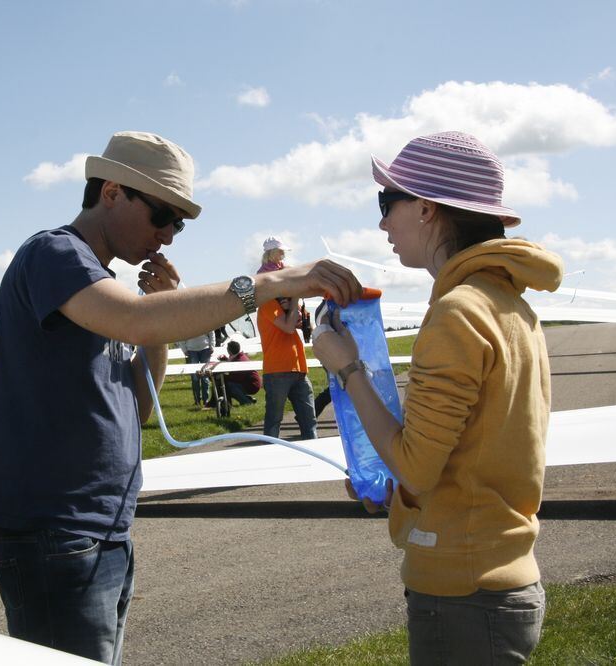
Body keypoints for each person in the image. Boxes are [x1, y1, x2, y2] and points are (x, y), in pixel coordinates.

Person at [0, 130, 362, 664]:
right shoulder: (54, 255)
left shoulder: (98, 286)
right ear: (111, 193)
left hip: (97, 524)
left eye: (179, 223)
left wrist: (163, 309)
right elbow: (133, 319)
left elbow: (140, 402)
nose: (170, 236)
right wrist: (270, 283)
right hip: (54, 529)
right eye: (163, 216)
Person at [311, 131, 563, 664]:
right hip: (496, 578)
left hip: (463, 592)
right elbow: (473, 453)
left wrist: (346, 366)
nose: (382, 223)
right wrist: (399, 497)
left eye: (388, 203)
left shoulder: (457, 313)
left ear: (426, 209)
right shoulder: (506, 304)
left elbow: (416, 467)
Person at [257, 294, 318, 440]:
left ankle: (314, 452)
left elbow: (309, 328)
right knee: (274, 419)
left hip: (299, 369)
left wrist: (294, 307)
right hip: (277, 370)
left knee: (309, 419)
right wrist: (295, 300)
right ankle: (270, 453)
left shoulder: (291, 305)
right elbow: (289, 328)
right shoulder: (267, 303)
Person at [176, 330, 214, 407]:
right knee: (195, 377)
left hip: (205, 349)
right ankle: (197, 401)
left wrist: (212, 345)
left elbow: (211, 332)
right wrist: (184, 349)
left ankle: (205, 400)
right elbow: (180, 334)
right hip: (191, 350)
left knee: (205, 377)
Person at [217, 340, 260, 405]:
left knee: (229, 385)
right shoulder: (239, 356)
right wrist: (225, 359)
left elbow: (236, 378)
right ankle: (247, 398)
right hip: (250, 383)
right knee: (228, 384)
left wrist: (222, 376)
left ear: (229, 350)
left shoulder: (239, 361)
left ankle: (246, 402)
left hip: (252, 385)